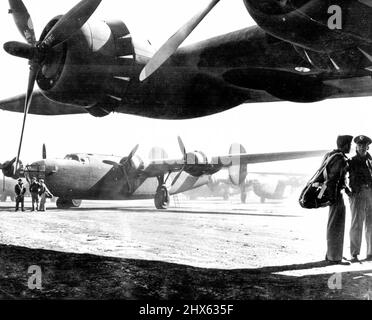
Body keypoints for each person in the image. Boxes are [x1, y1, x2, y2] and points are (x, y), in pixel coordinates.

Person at [324, 135, 353, 265]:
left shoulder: (330, 155)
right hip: (336, 196)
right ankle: (335, 257)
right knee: (337, 226)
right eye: (349, 144)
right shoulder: (340, 159)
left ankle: (331, 254)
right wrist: (333, 197)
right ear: (345, 145)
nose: (350, 147)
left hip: (333, 195)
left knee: (332, 225)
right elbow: (333, 180)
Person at [348, 135, 372, 262]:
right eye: (360, 145)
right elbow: (344, 179)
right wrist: (349, 192)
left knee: (371, 224)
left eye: (364, 145)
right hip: (358, 194)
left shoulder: (370, 161)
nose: (362, 147)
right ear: (356, 146)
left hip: (370, 194)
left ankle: (370, 253)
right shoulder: (351, 161)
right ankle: (354, 253)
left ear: (368, 146)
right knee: (357, 224)